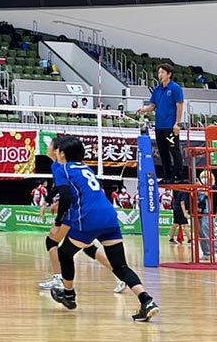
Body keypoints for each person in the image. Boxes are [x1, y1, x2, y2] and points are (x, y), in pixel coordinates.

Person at [46, 135, 159, 321]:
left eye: (57, 150)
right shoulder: (86, 168)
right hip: (110, 217)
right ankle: (146, 300)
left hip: (88, 219)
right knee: (120, 266)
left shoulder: (63, 169)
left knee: (64, 254)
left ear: (62, 153)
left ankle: (69, 295)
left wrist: (58, 223)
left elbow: (65, 197)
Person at [38, 136, 120, 294]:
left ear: (58, 151)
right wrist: (49, 202)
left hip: (77, 210)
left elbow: (65, 192)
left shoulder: (60, 167)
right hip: (82, 209)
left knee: (52, 240)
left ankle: (59, 278)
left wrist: (57, 218)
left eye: (50, 146)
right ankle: (119, 274)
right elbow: (60, 188)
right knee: (87, 247)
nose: (47, 148)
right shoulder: (65, 165)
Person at [137, 64, 185, 183]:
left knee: (174, 150)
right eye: (159, 73)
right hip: (159, 127)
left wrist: (177, 124)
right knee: (163, 152)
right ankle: (167, 176)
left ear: (169, 74)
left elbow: (179, 106)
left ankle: (179, 176)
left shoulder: (175, 88)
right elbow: (153, 106)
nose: (160, 75)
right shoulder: (157, 90)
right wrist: (144, 110)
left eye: (162, 72)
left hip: (170, 126)